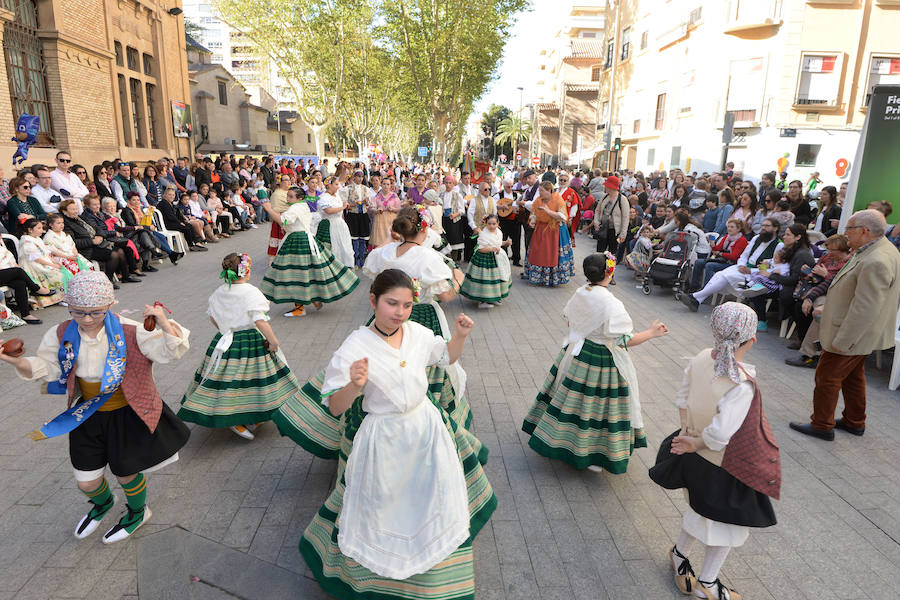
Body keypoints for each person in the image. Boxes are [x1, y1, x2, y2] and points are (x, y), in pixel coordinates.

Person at [296, 269, 496, 600]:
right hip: (385, 436)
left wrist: (459, 336)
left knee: (431, 497)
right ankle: (381, 581)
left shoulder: (417, 332)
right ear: (373, 300)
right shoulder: (356, 345)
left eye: (405, 305)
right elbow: (335, 406)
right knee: (384, 506)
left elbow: (445, 356)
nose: (399, 312)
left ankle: (432, 579)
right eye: (392, 303)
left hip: (425, 428)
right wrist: (354, 385)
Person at [0, 271, 190, 543]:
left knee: (126, 472)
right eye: (78, 312)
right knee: (86, 480)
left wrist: (162, 322)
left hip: (129, 410)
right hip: (87, 411)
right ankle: (103, 503)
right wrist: (14, 361)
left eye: (95, 312)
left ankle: (138, 511)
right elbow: (47, 367)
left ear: (110, 305)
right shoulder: (61, 332)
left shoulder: (130, 329)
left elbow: (171, 351)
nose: (86, 320)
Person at [649, 302, 780, 600]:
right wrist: (696, 441)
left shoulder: (699, 358)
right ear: (752, 338)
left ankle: (680, 555)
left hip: (693, 456)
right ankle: (707, 585)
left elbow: (682, 398)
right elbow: (720, 435)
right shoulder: (741, 385)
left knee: (698, 509)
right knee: (727, 526)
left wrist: (686, 434)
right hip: (724, 465)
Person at [523, 253, 669, 472]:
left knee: (571, 398)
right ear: (610, 272)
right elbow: (624, 340)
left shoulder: (582, 291)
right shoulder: (612, 303)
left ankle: (563, 439)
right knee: (596, 405)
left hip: (576, 351)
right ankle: (591, 452)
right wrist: (651, 333)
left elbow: (571, 320)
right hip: (601, 358)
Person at [789, 209, 900, 440]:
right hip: (856, 331)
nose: (845, 233)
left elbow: (865, 308)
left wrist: (845, 340)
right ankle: (854, 421)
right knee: (853, 376)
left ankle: (821, 425)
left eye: (849, 228)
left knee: (827, 376)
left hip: (852, 333)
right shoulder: (875, 249)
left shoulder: (877, 259)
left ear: (864, 231)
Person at [179, 252, 300, 441]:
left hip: (226, 340)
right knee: (256, 378)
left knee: (226, 379)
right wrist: (274, 341)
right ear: (246, 270)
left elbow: (212, 316)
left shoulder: (220, 291)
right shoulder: (251, 292)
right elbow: (260, 321)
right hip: (250, 340)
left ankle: (237, 416)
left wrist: (226, 329)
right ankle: (244, 417)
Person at [260, 190, 359, 318]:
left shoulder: (295, 208)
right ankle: (313, 299)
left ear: (299, 197)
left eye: (291, 196)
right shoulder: (302, 205)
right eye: (288, 196)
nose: (288, 198)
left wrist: (269, 209)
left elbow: (283, 221)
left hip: (297, 241)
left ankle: (300, 308)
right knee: (308, 271)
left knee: (295, 274)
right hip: (305, 239)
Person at [683, 218, 783, 311]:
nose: (764, 228)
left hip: (757, 274)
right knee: (720, 274)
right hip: (743, 267)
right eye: (763, 225)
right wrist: (741, 265)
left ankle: (695, 297)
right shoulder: (756, 238)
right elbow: (744, 255)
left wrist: (751, 270)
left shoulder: (779, 245)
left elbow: (774, 267)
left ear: (775, 228)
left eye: (767, 226)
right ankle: (697, 299)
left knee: (726, 276)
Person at [785, 234, 851, 368]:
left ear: (843, 249)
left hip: (834, 296)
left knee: (818, 314)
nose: (829, 253)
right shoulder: (828, 257)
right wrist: (809, 273)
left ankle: (812, 353)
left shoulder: (848, 263)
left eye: (833, 250)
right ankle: (805, 344)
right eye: (828, 250)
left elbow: (835, 284)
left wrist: (825, 275)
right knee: (798, 305)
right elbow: (816, 275)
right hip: (820, 290)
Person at [0, 235, 55, 324]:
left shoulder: (2, 249)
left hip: (3, 274)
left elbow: (9, 261)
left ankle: (26, 315)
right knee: (18, 271)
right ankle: (36, 289)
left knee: (20, 283)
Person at [460, 213, 511, 308]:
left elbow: (498, 243)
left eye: (494, 224)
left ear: (498, 223)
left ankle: (494, 297)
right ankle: (483, 301)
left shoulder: (499, 232)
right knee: (485, 278)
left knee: (498, 276)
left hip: (497, 257)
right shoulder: (483, 234)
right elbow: (480, 249)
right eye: (489, 224)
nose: (492, 226)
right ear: (486, 224)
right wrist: (491, 249)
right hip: (485, 258)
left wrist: (506, 243)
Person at [17, 218, 66, 308]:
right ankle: (59, 297)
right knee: (54, 271)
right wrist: (52, 265)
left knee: (62, 268)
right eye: (39, 228)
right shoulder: (26, 241)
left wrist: (53, 261)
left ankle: (64, 296)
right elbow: (36, 258)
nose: (42, 230)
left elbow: (45, 253)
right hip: (33, 264)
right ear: (30, 230)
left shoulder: (37, 239)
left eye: (42, 228)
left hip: (43, 261)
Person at [44, 212, 96, 290]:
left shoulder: (65, 234)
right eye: (58, 223)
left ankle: (88, 287)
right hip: (60, 257)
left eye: (62, 223)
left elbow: (72, 245)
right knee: (74, 267)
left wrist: (75, 254)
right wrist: (68, 257)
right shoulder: (49, 236)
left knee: (87, 265)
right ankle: (76, 289)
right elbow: (53, 251)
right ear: (51, 225)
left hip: (72, 255)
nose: (61, 225)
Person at [315, 176, 354, 268]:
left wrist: (343, 219)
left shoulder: (337, 196)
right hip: (329, 224)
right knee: (331, 249)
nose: (338, 187)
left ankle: (344, 268)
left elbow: (340, 213)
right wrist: (343, 207)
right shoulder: (323, 197)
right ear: (329, 185)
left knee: (345, 248)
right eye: (336, 184)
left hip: (340, 224)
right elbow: (328, 210)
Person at [591, 175, 628, 257]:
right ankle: (599, 268)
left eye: (606, 185)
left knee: (612, 254)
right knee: (599, 252)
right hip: (603, 228)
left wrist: (623, 234)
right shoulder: (604, 197)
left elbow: (625, 218)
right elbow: (597, 210)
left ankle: (609, 269)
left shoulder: (622, 199)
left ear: (611, 187)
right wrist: (596, 222)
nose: (605, 187)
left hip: (615, 230)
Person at [341, 170, 371, 268]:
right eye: (358, 176)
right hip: (353, 215)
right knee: (353, 238)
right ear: (354, 177)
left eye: (362, 176)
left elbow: (369, 203)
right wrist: (352, 204)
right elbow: (344, 203)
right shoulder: (347, 188)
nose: (360, 178)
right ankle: (353, 260)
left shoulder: (366, 189)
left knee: (362, 238)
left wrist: (366, 202)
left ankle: (361, 259)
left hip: (363, 215)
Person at [439, 176, 466, 262]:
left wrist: (455, 214)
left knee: (454, 239)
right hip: (444, 220)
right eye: (446, 182)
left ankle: (454, 259)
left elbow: (462, 209)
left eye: (450, 183)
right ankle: (446, 258)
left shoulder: (457, 195)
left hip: (454, 220)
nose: (448, 185)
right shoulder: (441, 195)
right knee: (445, 239)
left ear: (453, 184)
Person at [370, 178, 401, 248]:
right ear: (381, 184)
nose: (386, 186)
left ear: (390, 186)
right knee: (379, 241)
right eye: (384, 184)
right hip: (379, 220)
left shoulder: (394, 196)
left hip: (391, 220)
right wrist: (377, 210)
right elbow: (372, 207)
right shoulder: (377, 196)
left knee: (391, 239)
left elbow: (399, 209)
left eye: (388, 184)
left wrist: (393, 209)